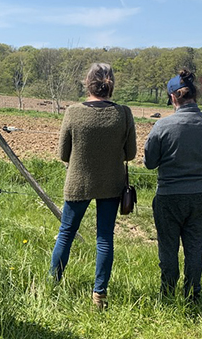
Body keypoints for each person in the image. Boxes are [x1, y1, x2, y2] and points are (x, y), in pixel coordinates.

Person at [49, 63, 137, 310]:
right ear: (111, 86)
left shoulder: (73, 112)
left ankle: (52, 286)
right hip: (111, 183)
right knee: (104, 238)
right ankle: (99, 295)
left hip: (77, 181)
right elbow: (130, 153)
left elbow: (63, 154)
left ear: (87, 84)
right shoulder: (124, 113)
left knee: (66, 233)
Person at [143, 69, 202, 301]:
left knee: (168, 248)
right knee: (195, 249)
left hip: (169, 195)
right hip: (200, 194)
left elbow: (149, 163)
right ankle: (193, 294)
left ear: (173, 98)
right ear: (195, 95)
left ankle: (167, 293)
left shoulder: (162, 126)